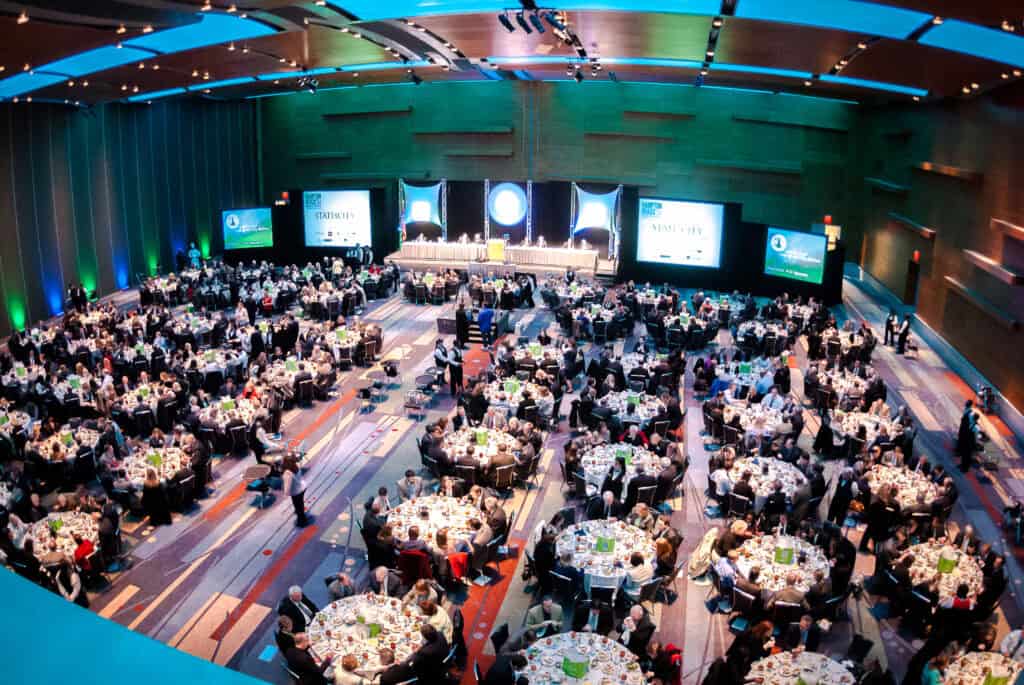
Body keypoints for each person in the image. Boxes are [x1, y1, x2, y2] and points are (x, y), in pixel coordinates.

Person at [283, 454, 309, 527]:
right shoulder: (296, 466)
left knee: (298, 505)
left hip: (296, 491)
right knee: (300, 503)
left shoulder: (287, 473)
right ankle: (299, 511)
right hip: (302, 486)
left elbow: (287, 488)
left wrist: (286, 493)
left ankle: (302, 521)